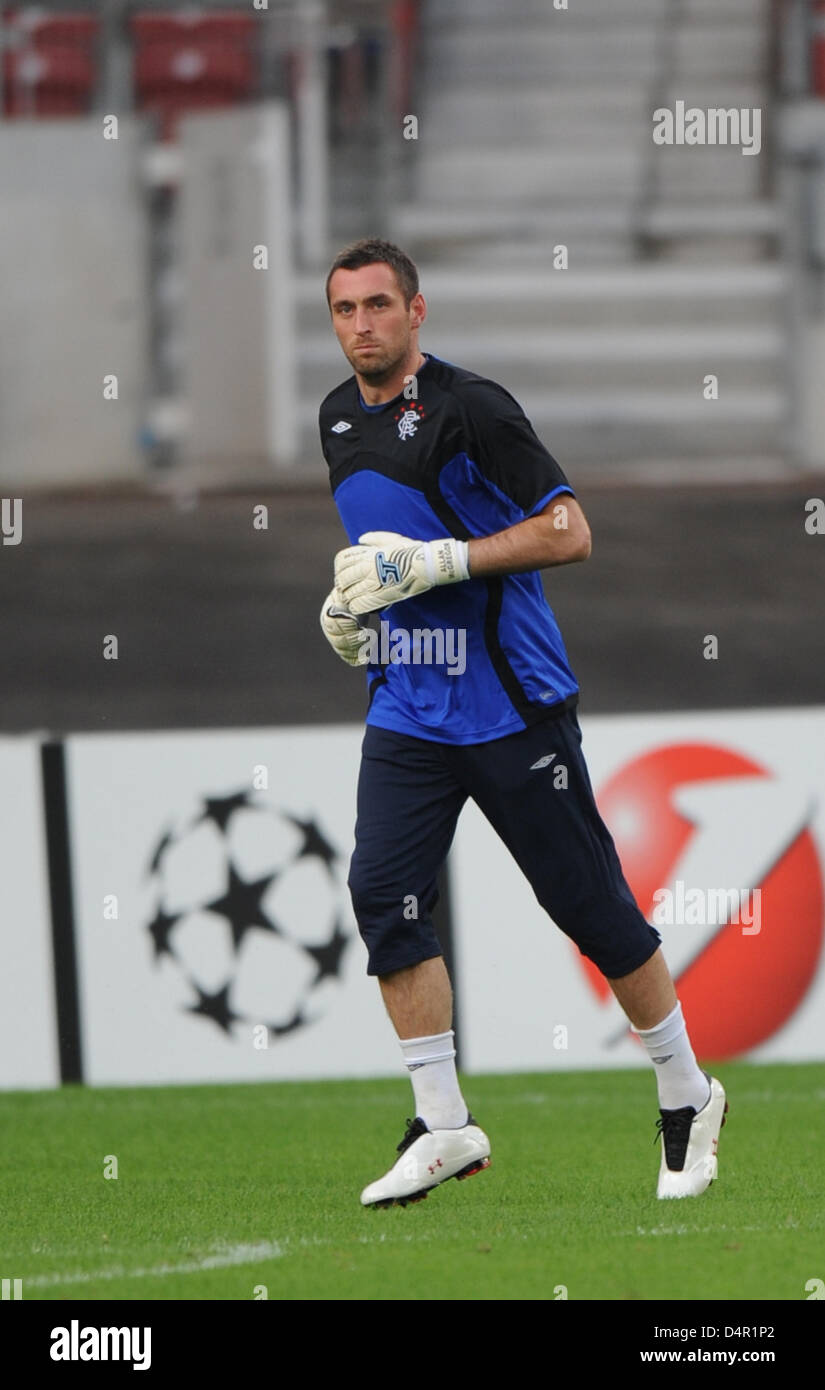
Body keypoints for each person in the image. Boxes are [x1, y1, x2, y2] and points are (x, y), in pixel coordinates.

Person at [318, 237, 727, 1208]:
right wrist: (351, 613)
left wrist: (443, 562)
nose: (363, 325)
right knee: (382, 893)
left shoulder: (474, 408)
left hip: (511, 706)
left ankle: (687, 1089)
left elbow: (568, 529)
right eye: (344, 310)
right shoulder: (337, 419)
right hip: (409, 706)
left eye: (379, 305)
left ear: (418, 313)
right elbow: (383, 558)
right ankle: (445, 1124)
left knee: (589, 908)